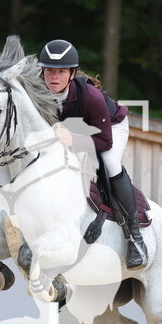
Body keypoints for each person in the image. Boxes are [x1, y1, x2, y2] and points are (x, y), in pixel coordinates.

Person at [37, 39, 146, 270]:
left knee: (109, 162)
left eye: (61, 71)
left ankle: (134, 237)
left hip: (108, 128)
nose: (53, 77)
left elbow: (105, 142)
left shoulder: (91, 97)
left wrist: (73, 140)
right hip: (71, 131)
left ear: (72, 73)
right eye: (49, 71)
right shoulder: (36, 91)